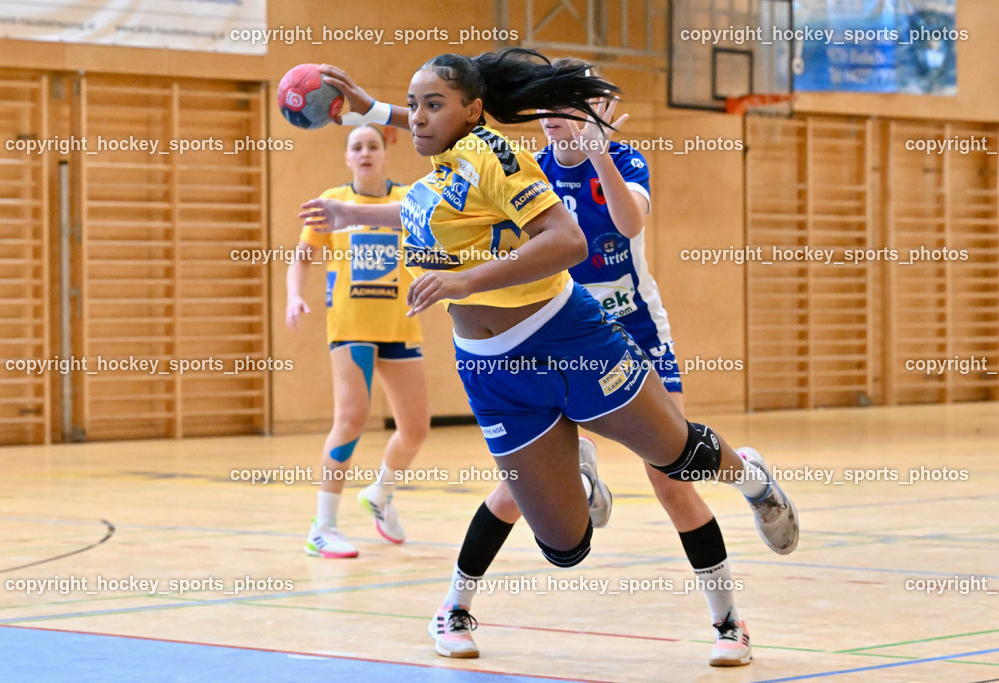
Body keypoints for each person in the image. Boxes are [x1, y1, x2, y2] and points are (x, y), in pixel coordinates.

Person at [302, 49, 798, 664]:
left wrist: (465, 281)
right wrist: (365, 120)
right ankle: (574, 470)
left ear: (473, 110)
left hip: (571, 336)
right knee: (565, 544)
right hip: (493, 367)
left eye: (433, 104)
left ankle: (749, 490)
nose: (418, 118)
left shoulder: (504, 155)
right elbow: (440, 156)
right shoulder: (442, 172)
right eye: (414, 107)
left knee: (678, 461)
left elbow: (572, 238)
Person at [418, 58, 756, 666]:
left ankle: (730, 614)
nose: (551, 119)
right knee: (519, 493)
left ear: (598, 111)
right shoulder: (526, 168)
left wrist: (600, 151)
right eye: (545, 108)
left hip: (631, 330)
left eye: (567, 107)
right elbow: (455, 162)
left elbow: (627, 223)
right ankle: (458, 603)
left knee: (671, 474)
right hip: (552, 335)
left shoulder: (623, 163)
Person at [286, 124, 429, 559]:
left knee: (416, 430)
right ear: (347, 157)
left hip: (400, 324)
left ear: (386, 151)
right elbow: (302, 257)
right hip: (350, 326)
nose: (365, 152)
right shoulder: (333, 202)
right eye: (356, 146)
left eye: (372, 145)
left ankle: (381, 494)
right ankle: (322, 526)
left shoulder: (409, 199)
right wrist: (294, 295)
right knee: (351, 417)